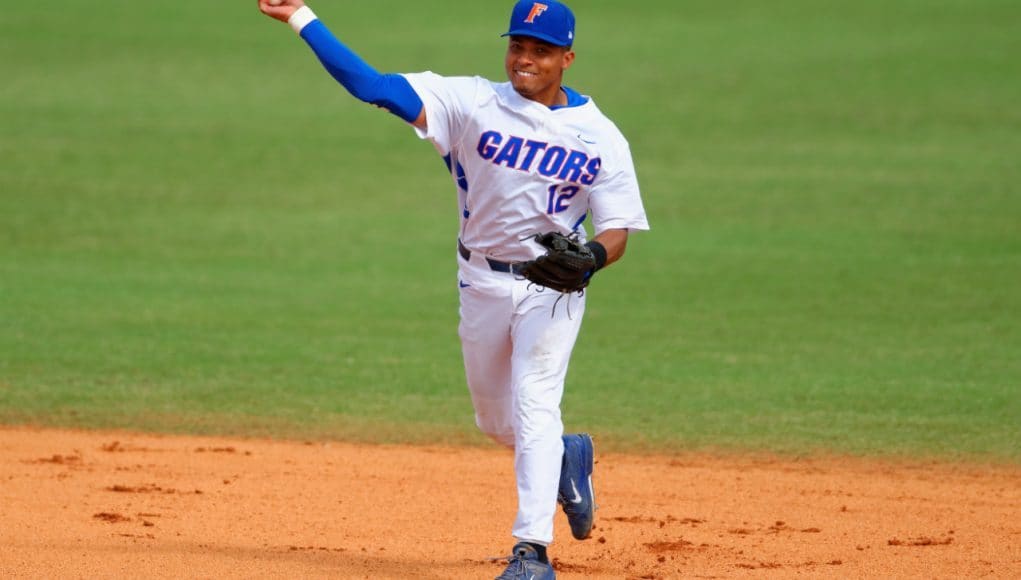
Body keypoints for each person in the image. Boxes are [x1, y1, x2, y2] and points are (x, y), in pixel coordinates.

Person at [257, 1, 649, 578]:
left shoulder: (601, 136)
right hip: (479, 279)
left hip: (552, 288)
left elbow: (617, 230)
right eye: (518, 45)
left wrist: (590, 257)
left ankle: (532, 552)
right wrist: (301, 17)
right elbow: (372, 86)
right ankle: (567, 456)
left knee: (536, 401)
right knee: (497, 424)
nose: (525, 59)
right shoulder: (469, 101)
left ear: (567, 58)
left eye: (540, 50)